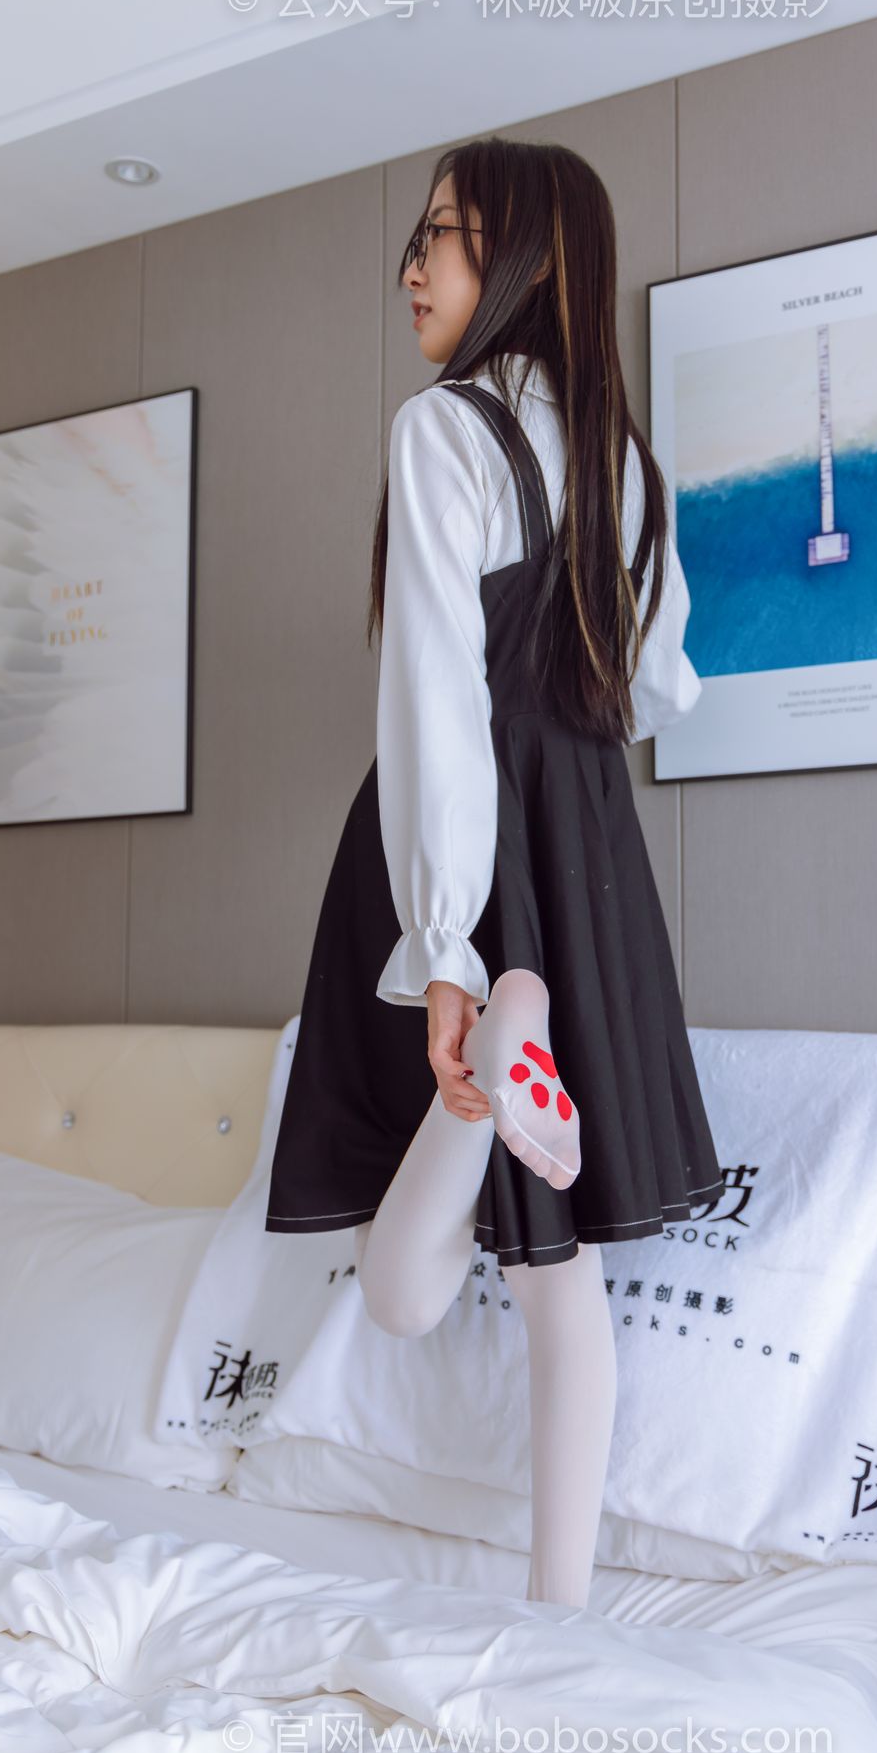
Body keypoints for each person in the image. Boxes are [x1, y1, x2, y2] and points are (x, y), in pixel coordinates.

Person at [264, 135, 725, 1611]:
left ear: (525, 256)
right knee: (557, 1281)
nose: (412, 268)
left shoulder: (444, 430)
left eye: (444, 238)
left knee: (401, 1297)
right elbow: (663, 688)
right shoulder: (629, 467)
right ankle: (559, 1618)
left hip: (467, 850)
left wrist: (448, 944)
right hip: (585, 846)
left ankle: (502, 1023)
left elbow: (435, 702)